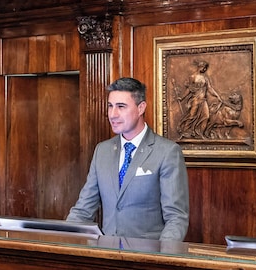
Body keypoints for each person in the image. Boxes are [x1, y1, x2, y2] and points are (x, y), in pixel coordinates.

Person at [67, 77, 190, 241]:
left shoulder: (167, 152)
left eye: (121, 107)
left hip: (147, 254)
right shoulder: (102, 151)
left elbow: (176, 218)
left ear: (141, 108)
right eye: (110, 106)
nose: (112, 114)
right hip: (107, 253)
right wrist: (62, 242)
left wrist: (162, 254)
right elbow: (83, 210)